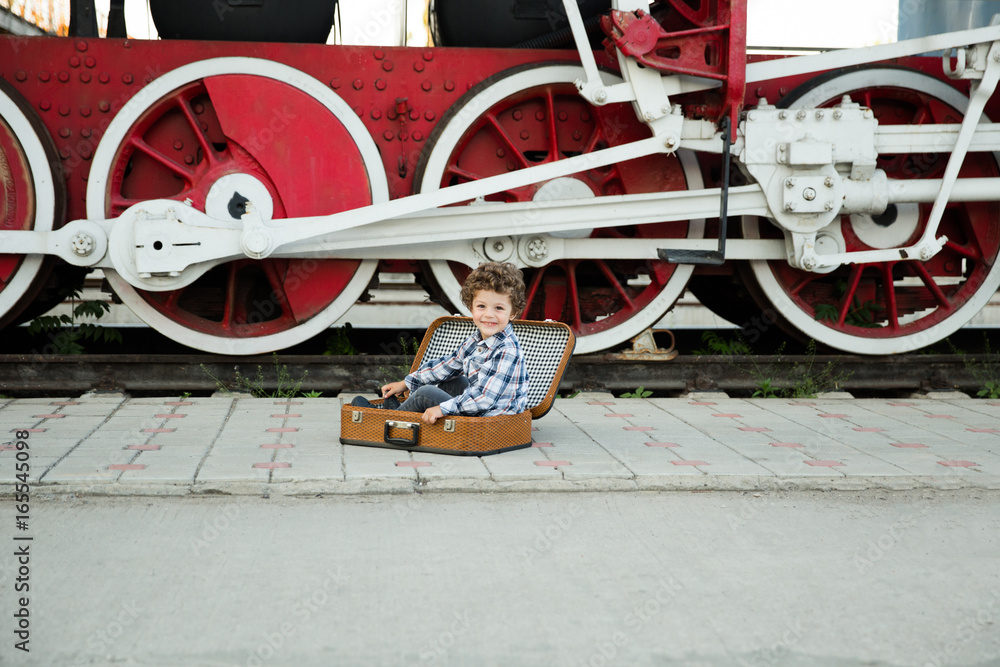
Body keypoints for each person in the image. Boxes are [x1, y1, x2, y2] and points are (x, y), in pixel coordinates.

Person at [351, 261, 530, 425]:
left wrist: (443, 408)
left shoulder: (507, 350)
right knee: (453, 380)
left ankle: (386, 421)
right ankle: (398, 412)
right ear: (471, 307)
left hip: (491, 422)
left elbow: (484, 398)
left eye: (498, 308)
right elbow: (449, 365)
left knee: (426, 394)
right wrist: (407, 383)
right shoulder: (477, 339)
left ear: (513, 313)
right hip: (478, 410)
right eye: (481, 306)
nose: (489, 315)